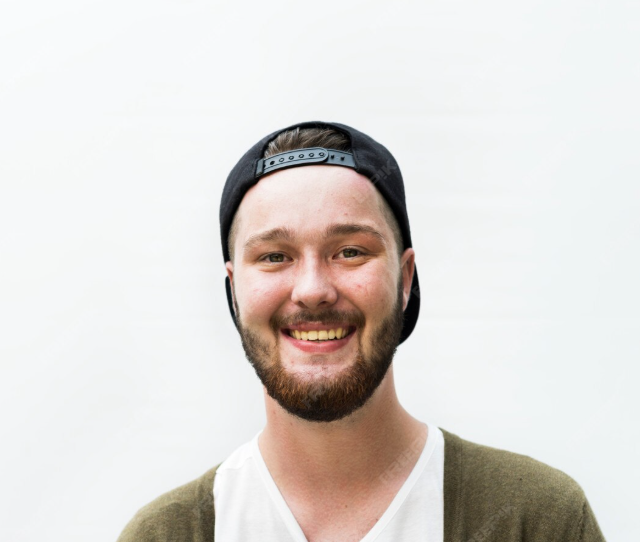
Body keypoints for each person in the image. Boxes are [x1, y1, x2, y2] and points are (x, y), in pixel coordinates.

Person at [117, 121, 606, 541]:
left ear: (405, 280)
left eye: (350, 251)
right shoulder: (168, 533)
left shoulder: (535, 520)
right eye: (274, 256)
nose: (313, 290)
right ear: (234, 292)